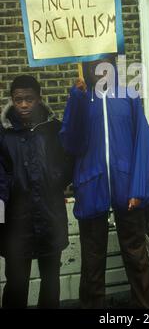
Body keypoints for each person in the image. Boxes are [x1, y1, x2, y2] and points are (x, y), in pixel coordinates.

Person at [60, 56, 149, 309]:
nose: (99, 70)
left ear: (113, 66)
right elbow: (71, 143)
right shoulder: (81, 99)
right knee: (92, 262)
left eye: (104, 64)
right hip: (91, 188)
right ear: (86, 69)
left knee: (137, 257)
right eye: (92, 65)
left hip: (128, 190)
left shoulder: (129, 96)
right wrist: (76, 100)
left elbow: (143, 143)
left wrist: (138, 188)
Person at [0, 75, 73, 309]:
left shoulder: (54, 129)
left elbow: (68, 162)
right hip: (15, 223)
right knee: (16, 283)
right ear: (11, 100)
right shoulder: (3, 133)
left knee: (51, 281)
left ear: (39, 99)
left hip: (50, 216)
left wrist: (53, 179)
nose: (23, 105)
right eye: (18, 99)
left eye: (29, 99)